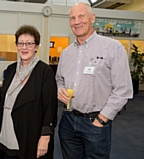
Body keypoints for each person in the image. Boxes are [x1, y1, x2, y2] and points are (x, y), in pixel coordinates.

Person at [56, 2, 133, 159]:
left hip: (96, 122)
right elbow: (59, 79)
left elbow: (123, 90)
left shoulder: (113, 48)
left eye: (81, 16)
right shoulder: (66, 53)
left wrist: (102, 118)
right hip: (68, 120)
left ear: (92, 18)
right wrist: (60, 89)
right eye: (72, 18)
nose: (76, 21)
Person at [0, 25, 58, 159]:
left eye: (29, 43)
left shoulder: (44, 72)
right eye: (21, 43)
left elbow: (50, 106)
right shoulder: (11, 69)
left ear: (36, 46)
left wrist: (45, 136)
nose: (24, 47)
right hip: (6, 131)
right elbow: (11, 96)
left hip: (28, 134)